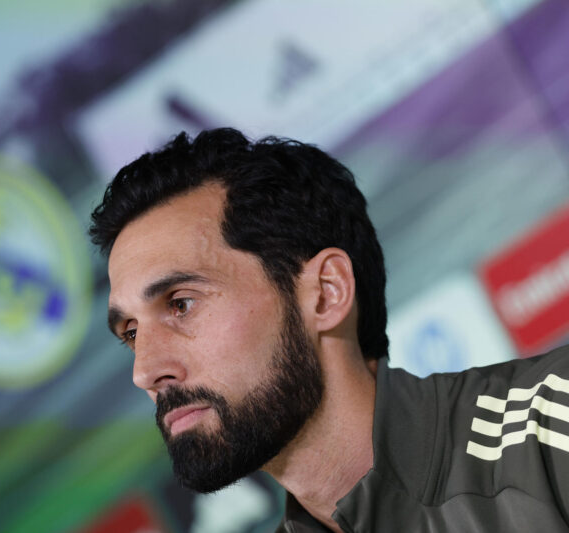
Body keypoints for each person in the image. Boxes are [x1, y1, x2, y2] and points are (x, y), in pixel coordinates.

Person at [88, 128, 569, 532]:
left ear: (326, 292)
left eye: (181, 304)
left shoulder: (553, 429)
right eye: (130, 332)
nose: (146, 371)